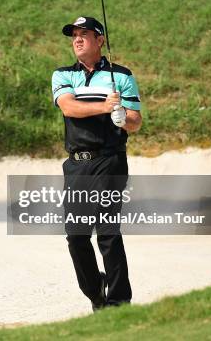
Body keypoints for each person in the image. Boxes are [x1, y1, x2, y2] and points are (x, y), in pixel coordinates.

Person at [51, 16, 142, 312]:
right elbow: (69, 107)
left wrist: (122, 117)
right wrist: (106, 107)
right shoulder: (63, 75)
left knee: (107, 230)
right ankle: (95, 292)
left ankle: (118, 302)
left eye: (84, 34)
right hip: (77, 164)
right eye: (74, 35)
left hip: (109, 159)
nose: (77, 39)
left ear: (100, 40)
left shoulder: (122, 75)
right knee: (76, 235)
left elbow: (135, 121)